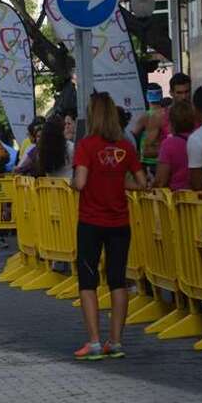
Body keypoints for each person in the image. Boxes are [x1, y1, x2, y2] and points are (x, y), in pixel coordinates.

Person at [71, 92, 147, 360]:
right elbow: (142, 183)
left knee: (88, 280)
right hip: (119, 222)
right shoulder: (125, 147)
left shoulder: (86, 145)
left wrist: (74, 182)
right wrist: (118, 181)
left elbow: (80, 182)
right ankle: (115, 341)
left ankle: (93, 341)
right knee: (117, 280)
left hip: (90, 221)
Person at [154, 101, 194, 190]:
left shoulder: (169, 144)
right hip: (200, 193)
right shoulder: (199, 138)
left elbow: (161, 181)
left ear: (172, 122)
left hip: (176, 194)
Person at [132, 83, 168, 172]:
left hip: (149, 161)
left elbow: (132, 136)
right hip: (164, 158)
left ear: (147, 96)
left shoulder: (146, 116)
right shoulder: (167, 113)